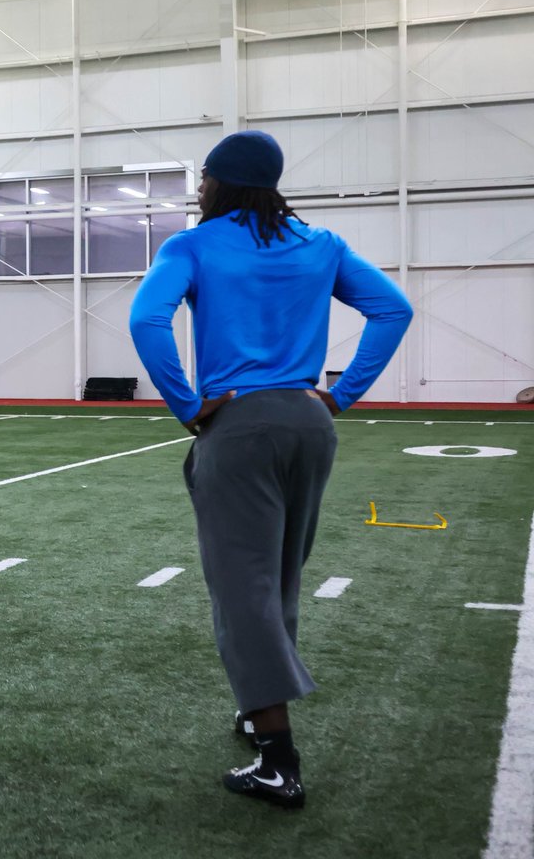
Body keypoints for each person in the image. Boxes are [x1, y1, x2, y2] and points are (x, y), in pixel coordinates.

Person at [129, 131, 412, 808]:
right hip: (310, 423)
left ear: (221, 183)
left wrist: (188, 406)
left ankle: (278, 758)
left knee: (240, 588)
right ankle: (259, 708)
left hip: (241, 425)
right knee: (280, 578)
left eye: (204, 179)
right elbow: (392, 309)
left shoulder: (191, 245)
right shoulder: (320, 245)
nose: (198, 189)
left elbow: (147, 321)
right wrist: (339, 395)